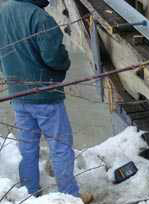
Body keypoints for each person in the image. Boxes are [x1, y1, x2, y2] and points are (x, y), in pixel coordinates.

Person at [0, 0, 93, 203]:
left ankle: (29, 193)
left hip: (17, 94)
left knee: (27, 147)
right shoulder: (40, 18)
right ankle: (70, 196)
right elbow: (54, 58)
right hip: (46, 96)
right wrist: (64, 64)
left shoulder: (3, 13)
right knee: (60, 147)